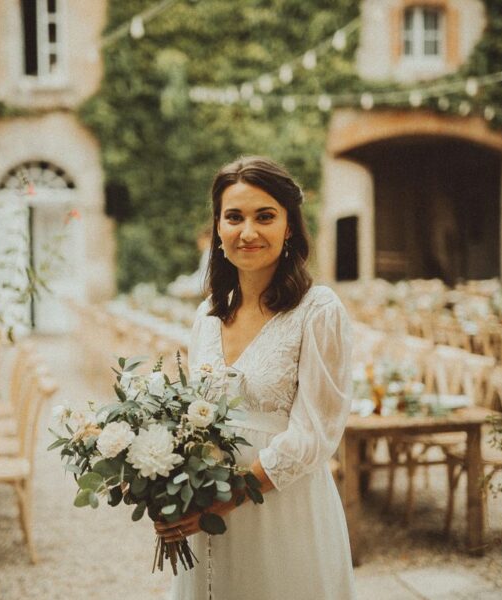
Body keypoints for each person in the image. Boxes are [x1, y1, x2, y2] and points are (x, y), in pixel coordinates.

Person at [155, 156, 356, 599]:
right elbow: (193, 422)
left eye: (264, 216)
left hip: (283, 506)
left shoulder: (317, 310)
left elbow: (316, 431)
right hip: (207, 510)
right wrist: (165, 490)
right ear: (218, 229)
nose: (248, 232)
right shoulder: (206, 317)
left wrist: (230, 497)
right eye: (234, 217)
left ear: (289, 227)